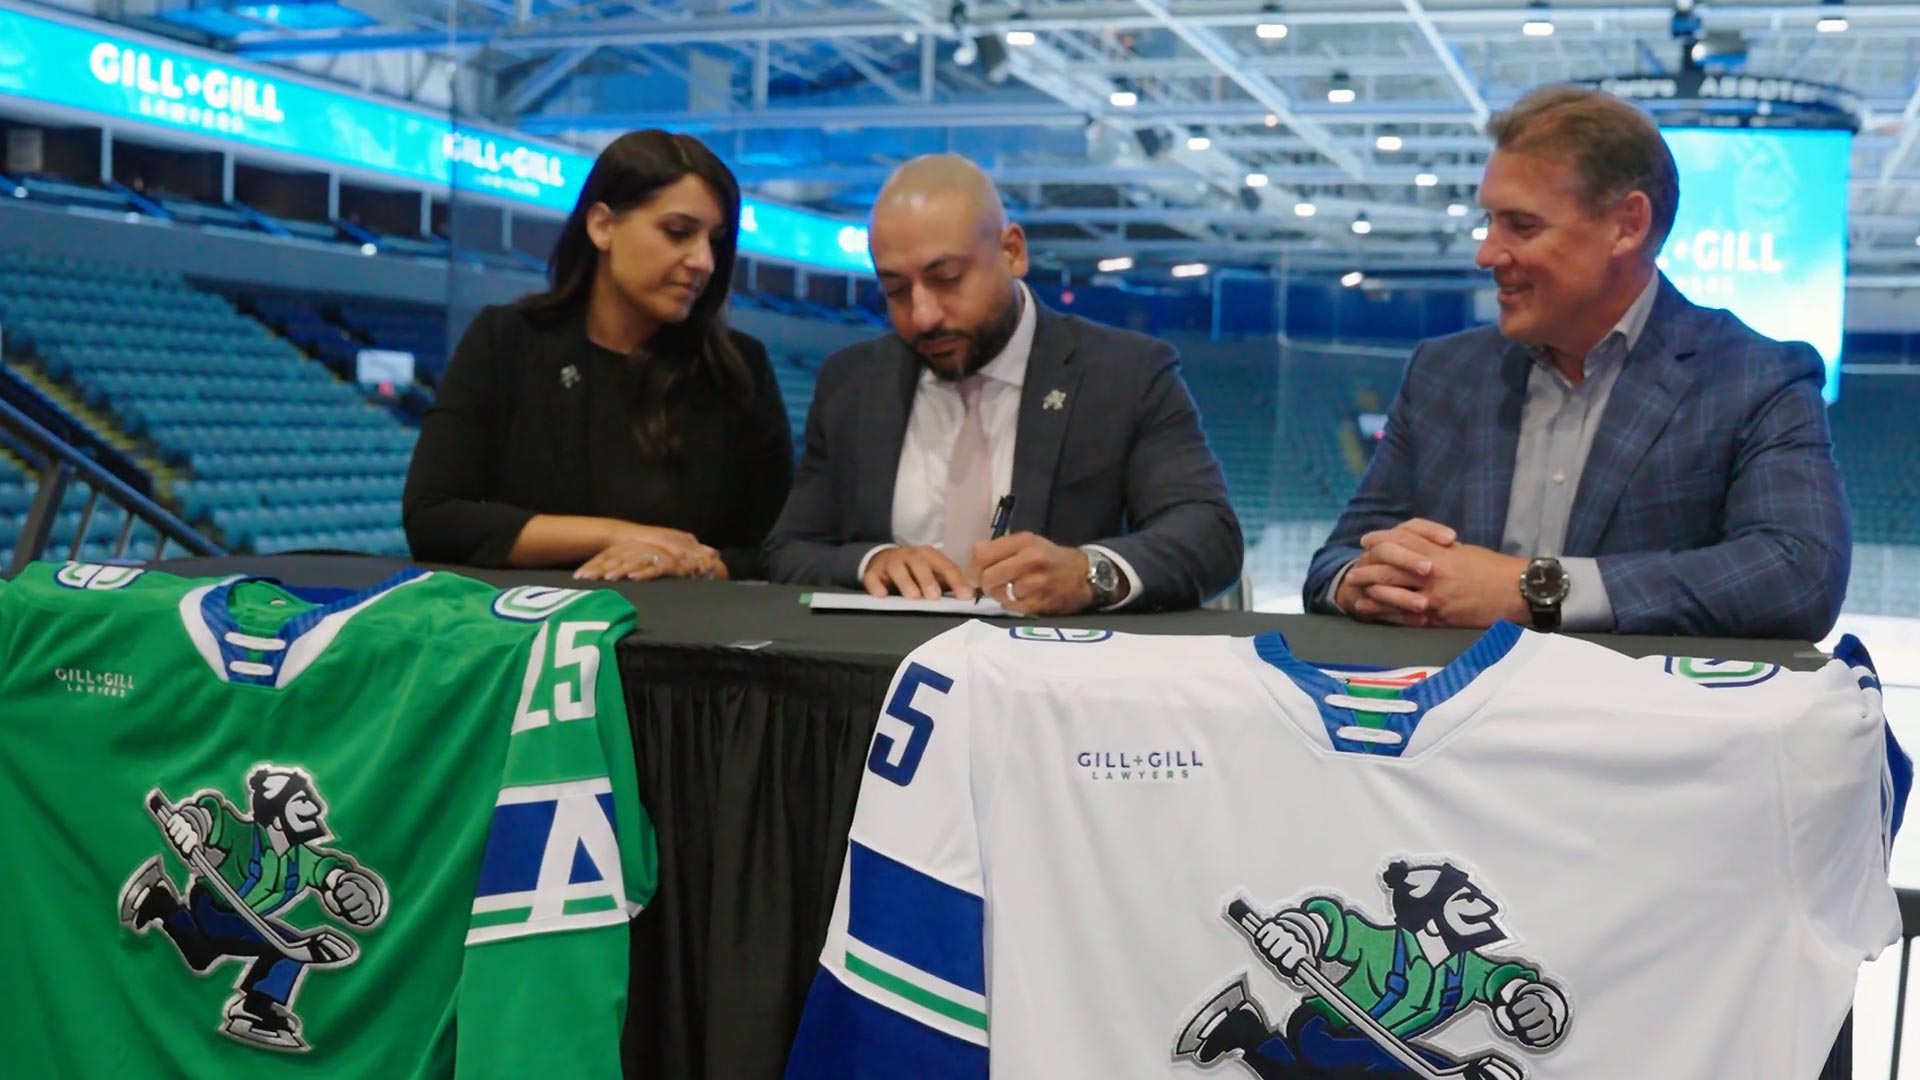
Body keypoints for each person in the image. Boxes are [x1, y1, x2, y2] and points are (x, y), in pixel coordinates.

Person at [1303, 86, 1849, 640]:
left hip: (1644, 720)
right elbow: (1335, 561)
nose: (1487, 254)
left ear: (1627, 226)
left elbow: (1799, 574)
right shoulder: (1444, 372)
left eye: (1521, 225)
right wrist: (1358, 581)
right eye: (1489, 222)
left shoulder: (1755, 376)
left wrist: (1533, 590)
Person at [763, 155, 1241, 614]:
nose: (923, 315)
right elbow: (788, 549)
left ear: (1012, 251)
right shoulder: (852, 382)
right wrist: (872, 561)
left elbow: (1208, 533)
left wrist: (1089, 573)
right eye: (895, 291)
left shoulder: (1128, 374)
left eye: (947, 278)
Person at [403, 130, 793, 581]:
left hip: (687, 634)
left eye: (715, 241)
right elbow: (433, 518)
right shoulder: (506, 340)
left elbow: (776, 548)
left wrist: (692, 566)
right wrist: (618, 536)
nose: (703, 260)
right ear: (602, 226)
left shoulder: (741, 369)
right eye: (679, 232)